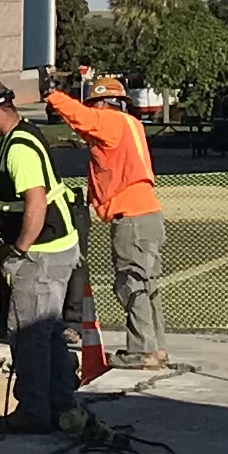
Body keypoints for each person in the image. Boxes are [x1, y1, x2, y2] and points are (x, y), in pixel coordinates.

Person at [0, 75, 87, 430]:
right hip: (52, 249)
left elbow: (35, 204)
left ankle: (34, 412)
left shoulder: (19, 150)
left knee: (30, 335)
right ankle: (61, 404)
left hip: (42, 253)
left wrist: (18, 252)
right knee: (47, 333)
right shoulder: (17, 135)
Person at [44, 68, 167, 368]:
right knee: (148, 285)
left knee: (132, 284)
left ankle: (141, 351)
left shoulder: (111, 122)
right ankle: (155, 348)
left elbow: (82, 119)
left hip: (133, 220)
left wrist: (52, 95)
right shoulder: (132, 124)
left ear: (102, 104)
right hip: (147, 215)